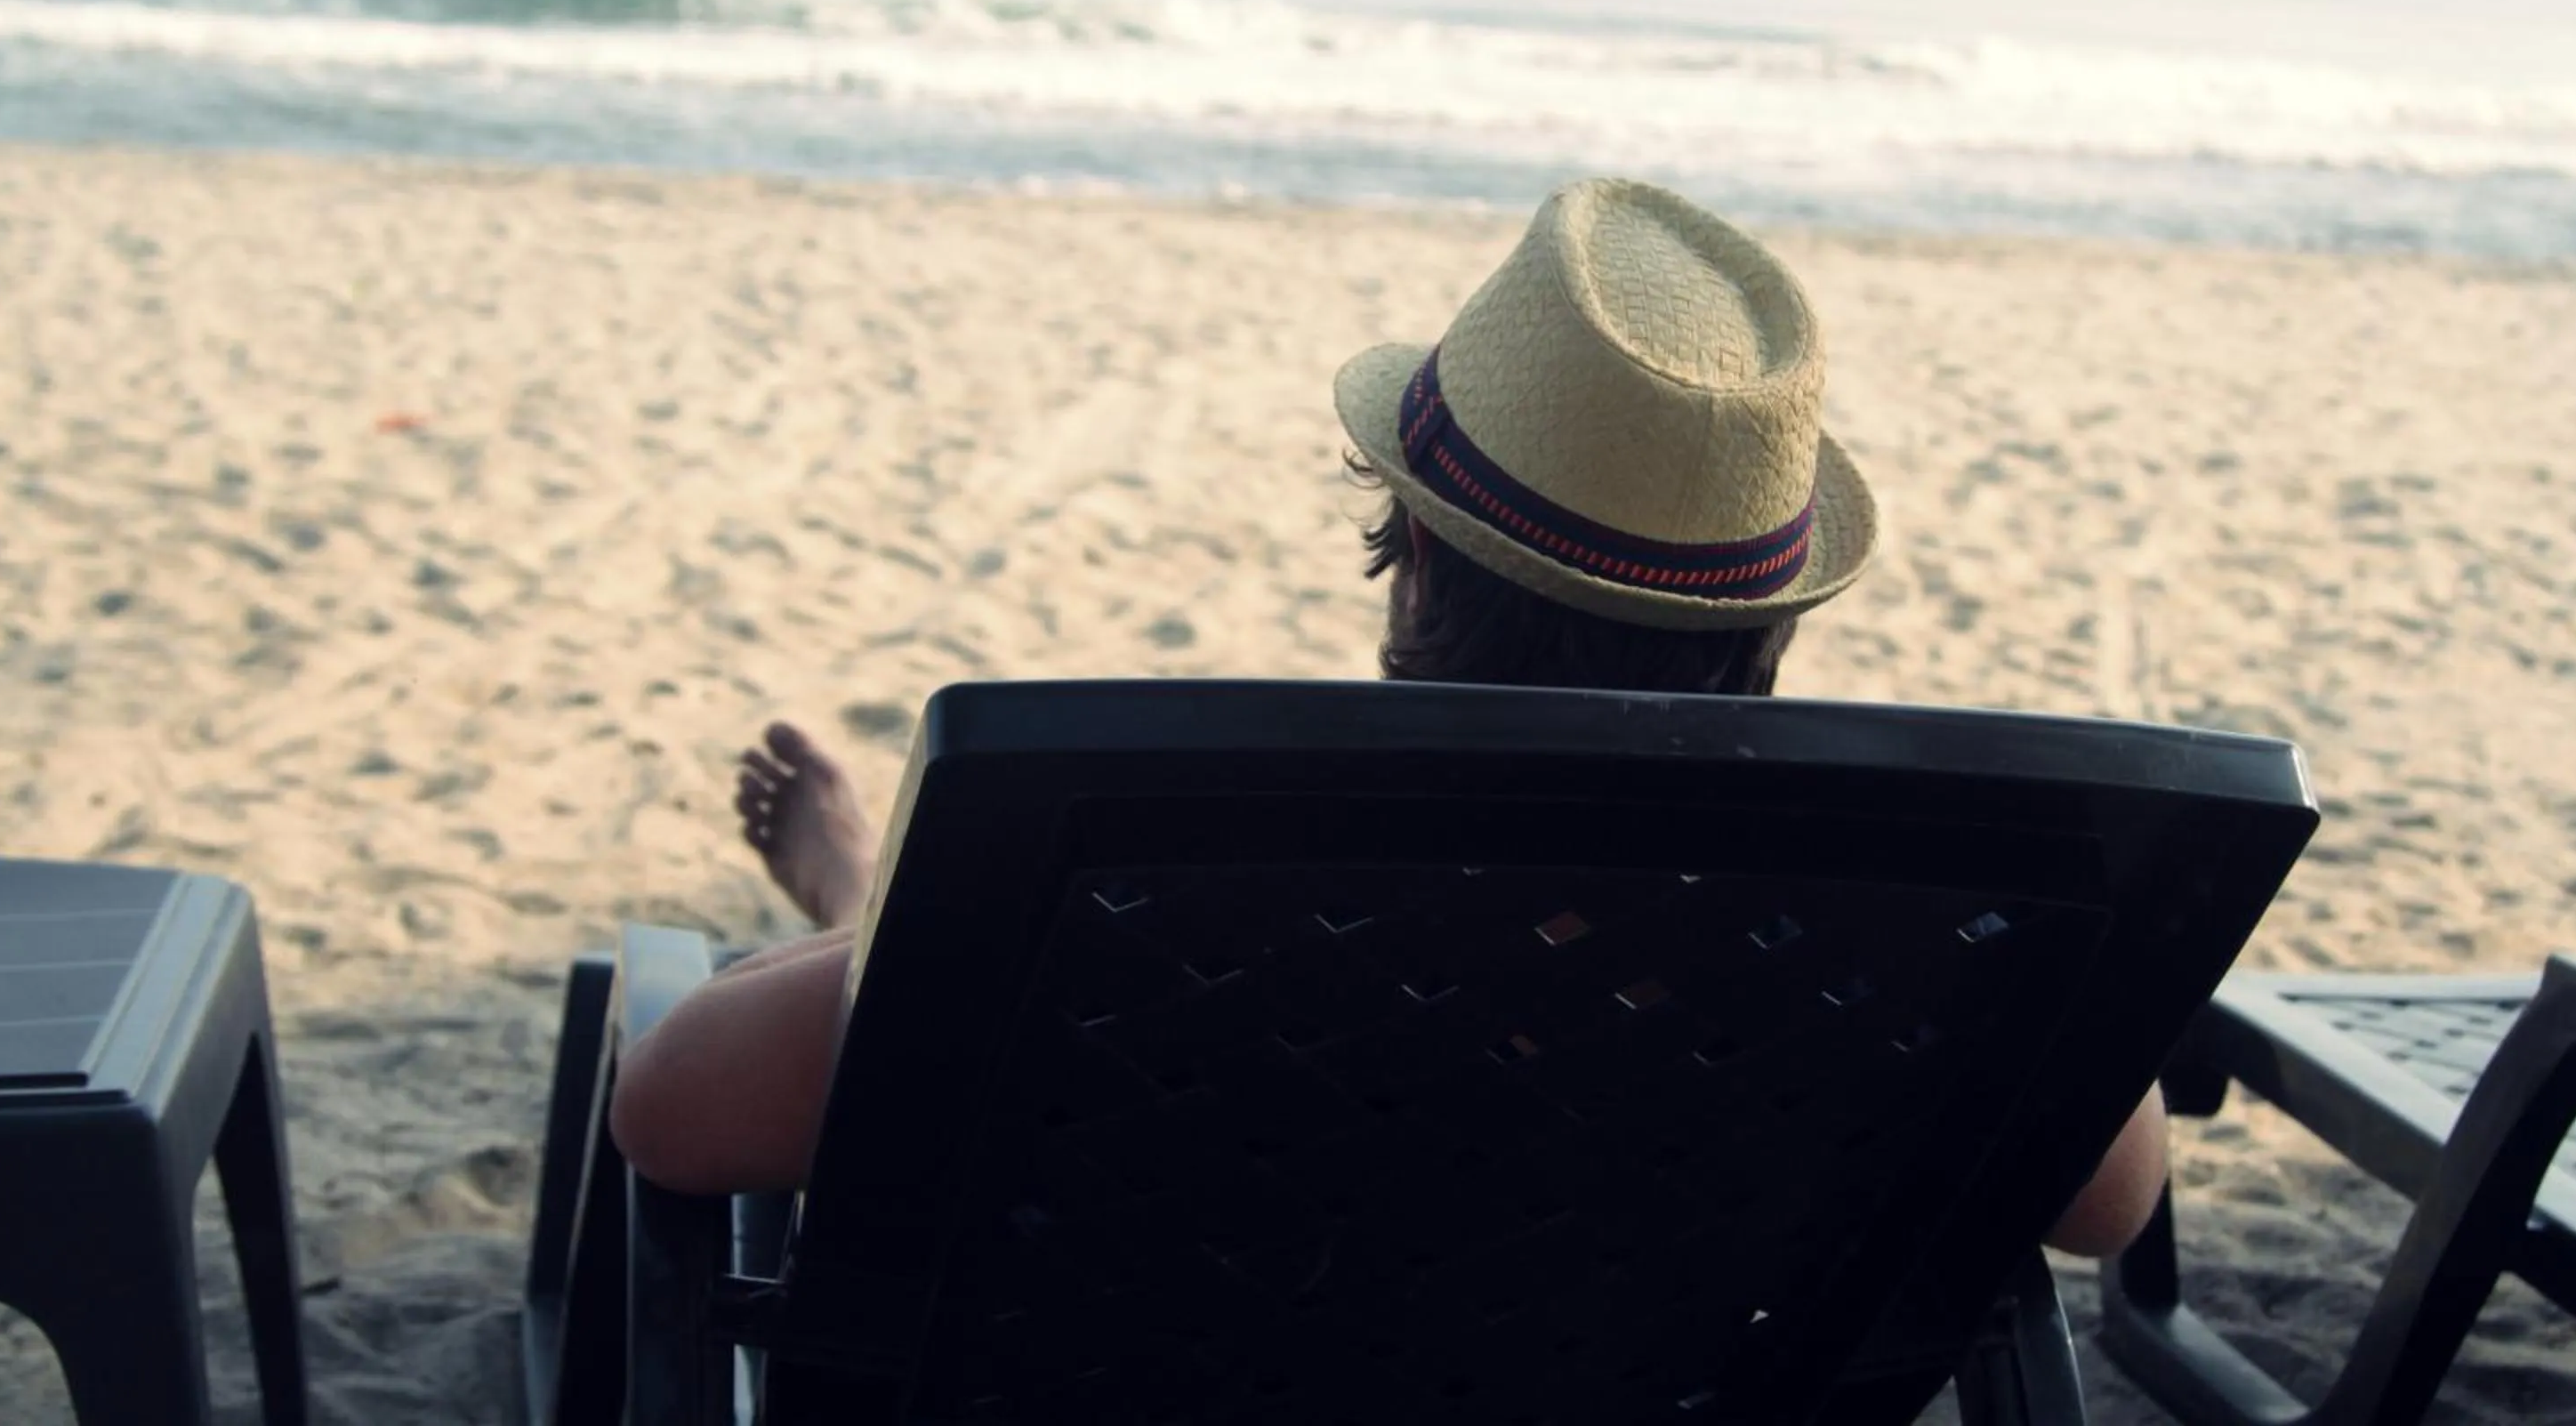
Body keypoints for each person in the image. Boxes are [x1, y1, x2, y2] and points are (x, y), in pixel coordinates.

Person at [608, 179, 2168, 1255]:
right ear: (1775, 609)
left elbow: (675, 1112)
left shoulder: (1188, 882)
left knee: (904, 983)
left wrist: (859, 897)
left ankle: (861, 899)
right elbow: (2110, 1206)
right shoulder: (1906, 933)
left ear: (1416, 542)